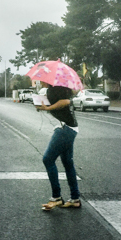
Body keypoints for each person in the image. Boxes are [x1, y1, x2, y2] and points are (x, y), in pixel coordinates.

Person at [37, 82, 81, 210]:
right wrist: (42, 106)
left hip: (64, 129)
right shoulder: (59, 89)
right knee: (67, 163)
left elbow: (65, 102)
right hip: (70, 128)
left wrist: (48, 108)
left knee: (48, 159)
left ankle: (56, 197)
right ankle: (75, 198)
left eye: (42, 78)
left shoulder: (55, 89)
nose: (40, 81)